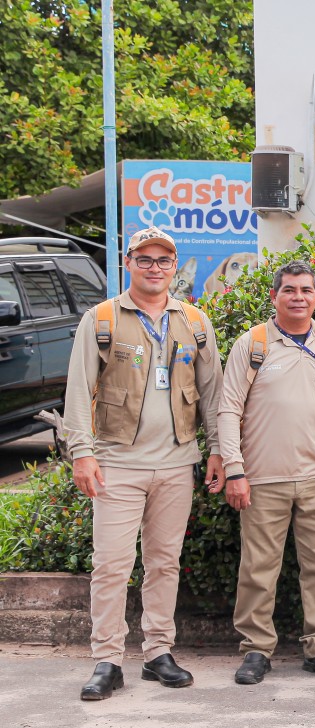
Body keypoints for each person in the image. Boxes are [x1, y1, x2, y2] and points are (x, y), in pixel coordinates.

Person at [64, 227, 224, 700]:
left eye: (163, 260)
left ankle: (158, 653)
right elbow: (78, 390)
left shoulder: (194, 321)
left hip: (177, 464)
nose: (155, 267)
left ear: (174, 266)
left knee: (164, 563)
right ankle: (107, 660)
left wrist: (217, 450)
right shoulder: (102, 319)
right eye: (145, 259)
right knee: (111, 565)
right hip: (117, 464)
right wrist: (82, 454)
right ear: (128, 262)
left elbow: (212, 393)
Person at [219, 261, 315, 685]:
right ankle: (256, 650)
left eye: (306, 290)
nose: (298, 297)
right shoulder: (254, 343)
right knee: (259, 567)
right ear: (274, 296)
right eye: (289, 290)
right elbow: (228, 409)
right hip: (262, 477)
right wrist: (234, 470)